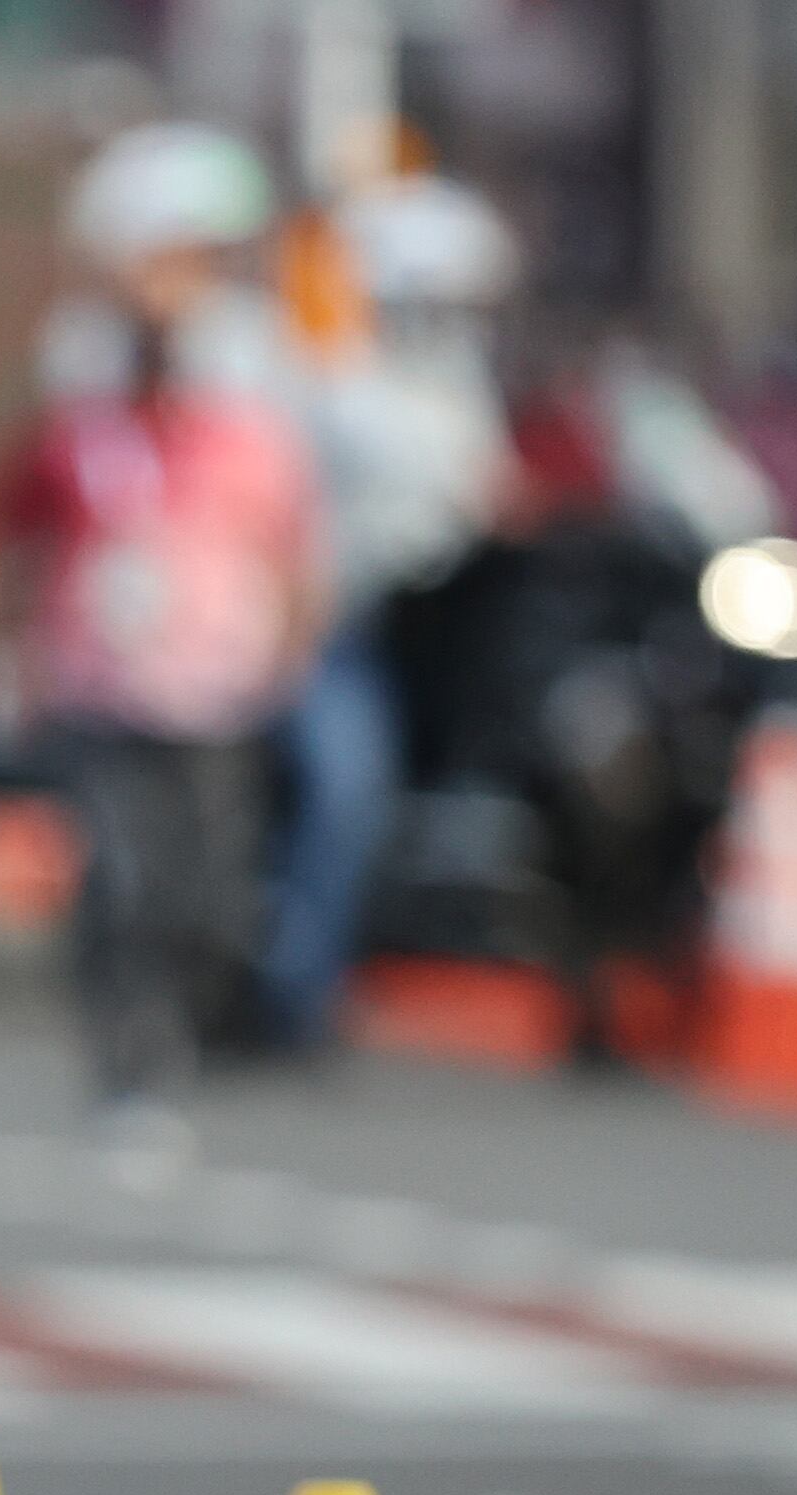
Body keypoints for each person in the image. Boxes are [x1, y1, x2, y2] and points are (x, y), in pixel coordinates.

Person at [0, 123, 324, 1140]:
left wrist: (287, 650)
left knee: (210, 886)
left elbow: (293, 545)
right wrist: (15, 653)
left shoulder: (248, 423)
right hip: (101, 678)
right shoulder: (78, 422)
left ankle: (201, 1021)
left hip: (216, 682)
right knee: (122, 874)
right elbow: (15, 537)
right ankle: (122, 1047)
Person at [260, 174, 516, 1055]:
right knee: (343, 793)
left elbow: (485, 494)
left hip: (430, 633)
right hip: (329, 635)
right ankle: (296, 984)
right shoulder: (323, 381)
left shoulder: (459, 385)